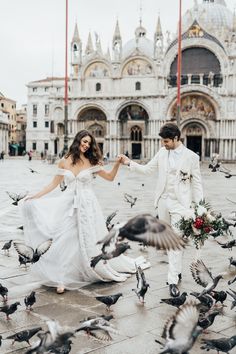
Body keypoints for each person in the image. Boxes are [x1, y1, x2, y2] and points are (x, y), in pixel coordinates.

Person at [22, 130, 148, 294]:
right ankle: (61, 278)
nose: (86, 145)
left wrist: (117, 163)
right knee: (63, 239)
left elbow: (110, 177)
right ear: (77, 141)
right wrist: (34, 196)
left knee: (87, 239)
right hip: (67, 205)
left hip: (87, 206)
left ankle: (83, 270)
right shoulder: (64, 161)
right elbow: (52, 185)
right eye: (84, 141)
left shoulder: (91, 161)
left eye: (89, 143)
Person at [119, 123, 203, 297]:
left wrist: (200, 208)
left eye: (166, 141)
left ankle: (172, 281)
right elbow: (148, 170)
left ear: (176, 139)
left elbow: (197, 183)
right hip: (163, 202)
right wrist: (129, 163)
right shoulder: (162, 152)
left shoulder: (191, 157)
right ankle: (177, 270)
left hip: (181, 205)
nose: (163, 144)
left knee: (175, 241)